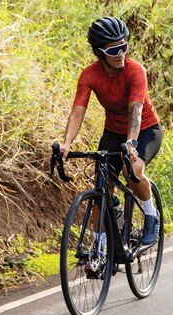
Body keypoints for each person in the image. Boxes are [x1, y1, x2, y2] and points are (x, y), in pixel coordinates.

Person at [58, 16, 162, 271]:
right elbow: (78, 110)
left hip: (146, 130)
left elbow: (135, 111)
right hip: (113, 132)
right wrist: (66, 144)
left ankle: (151, 216)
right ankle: (100, 248)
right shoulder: (90, 75)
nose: (121, 54)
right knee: (101, 191)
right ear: (99, 53)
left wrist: (132, 142)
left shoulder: (135, 70)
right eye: (114, 50)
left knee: (132, 171)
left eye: (124, 46)